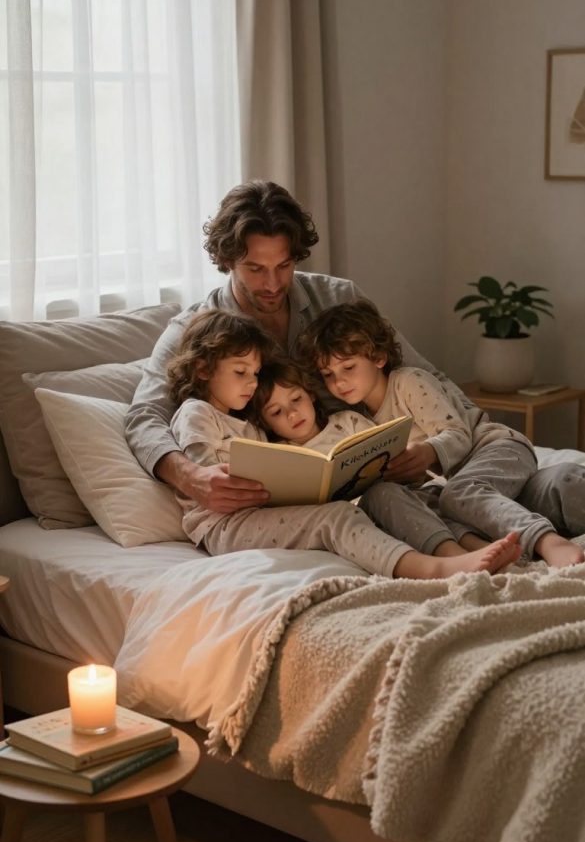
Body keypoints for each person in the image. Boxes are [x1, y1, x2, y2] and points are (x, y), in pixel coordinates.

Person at [125, 178, 585, 535]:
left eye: (284, 266)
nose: (272, 283)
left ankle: (540, 491)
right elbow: (144, 416)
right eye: (255, 269)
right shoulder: (194, 331)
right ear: (227, 261)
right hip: (383, 489)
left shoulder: (337, 297)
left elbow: (421, 375)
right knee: (504, 500)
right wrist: (190, 477)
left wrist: (449, 446)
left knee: (478, 494)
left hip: (439, 454)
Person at [167, 309, 521, 580]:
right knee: (337, 517)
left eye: (255, 373)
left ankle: (466, 547)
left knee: (412, 498)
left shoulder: (248, 423)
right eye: (240, 373)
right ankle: (433, 570)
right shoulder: (196, 412)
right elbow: (205, 474)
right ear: (202, 370)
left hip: (257, 513)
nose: (250, 383)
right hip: (224, 525)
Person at [300, 300, 584, 568]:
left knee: (460, 493)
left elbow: (458, 434)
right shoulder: (359, 421)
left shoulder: (409, 382)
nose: (339, 381)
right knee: (431, 506)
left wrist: (427, 453)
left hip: (494, 449)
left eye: (348, 367)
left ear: (378, 357)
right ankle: (485, 549)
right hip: (461, 489)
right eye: (328, 374)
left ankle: (548, 542)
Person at [247, 357, 488, 561]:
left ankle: (476, 547)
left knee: (426, 499)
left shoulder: (347, 422)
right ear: (264, 422)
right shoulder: (279, 455)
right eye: (277, 412)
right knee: (390, 499)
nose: (291, 414)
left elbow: (382, 452)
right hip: (350, 521)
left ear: (310, 394)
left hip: (390, 497)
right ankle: (453, 555)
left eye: (296, 399)